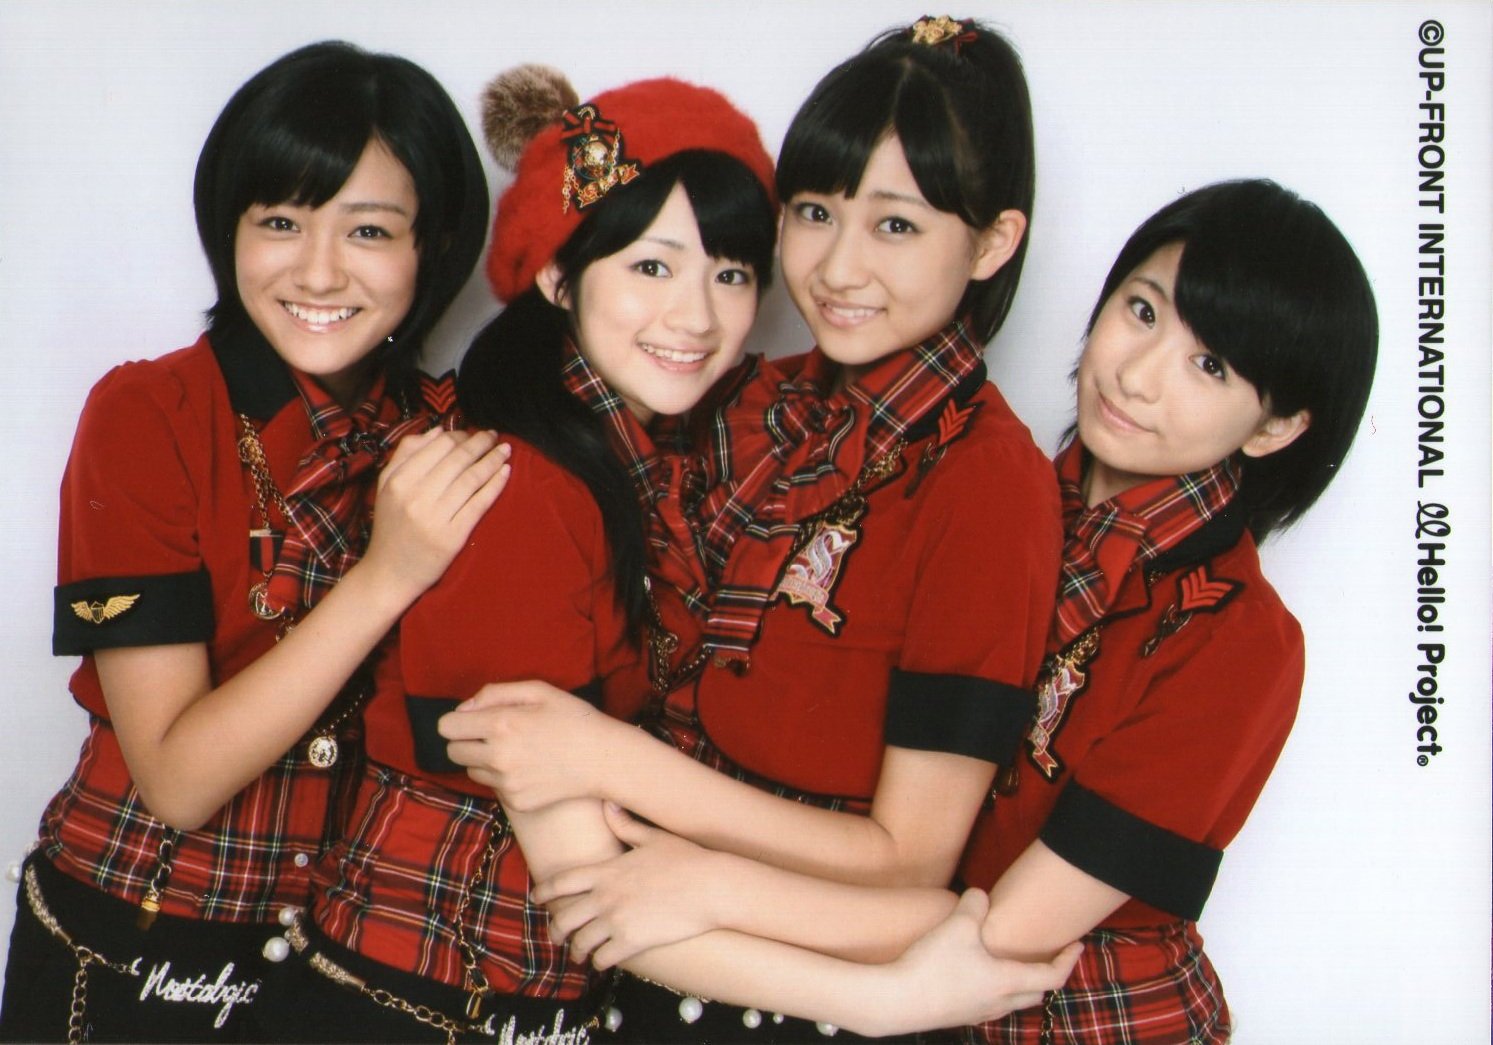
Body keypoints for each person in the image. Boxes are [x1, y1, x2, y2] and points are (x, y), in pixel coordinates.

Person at [530, 178, 1378, 1043]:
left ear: (1274, 428)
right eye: (1142, 311)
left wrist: (715, 887)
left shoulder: (1234, 640)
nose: (1136, 374)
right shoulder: (989, 500)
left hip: (1085, 1022)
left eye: (1210, 366)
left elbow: (1004, 934)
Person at [444, 17, 1066, 1041]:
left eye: (896, 225)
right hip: (626, 961)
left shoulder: (986, 483)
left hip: (804, 991)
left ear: (993, 242)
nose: (839, 267)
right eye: (815, 212)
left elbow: (914, 856)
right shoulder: (737, 398)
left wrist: (679, 844)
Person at [248, 68, 781, 1045]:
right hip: (419, 1000)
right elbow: (582, 879)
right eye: (651, 266)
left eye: (732, 273)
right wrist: (902, 987)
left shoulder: (646, 460)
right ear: (556, 277)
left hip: (514, 1000)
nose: (697, 316)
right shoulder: (518, 485)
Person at [0, 41, 507, 1043]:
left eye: (370, 230)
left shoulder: (453, 437)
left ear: (435, 246)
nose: (317, 270)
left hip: (349, 966)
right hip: (134, 945)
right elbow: (178, 779)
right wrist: (387, 575)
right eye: (279, 221)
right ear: (227, 225)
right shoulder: (151, 412)